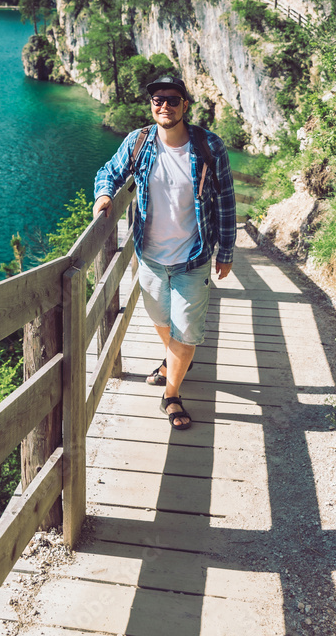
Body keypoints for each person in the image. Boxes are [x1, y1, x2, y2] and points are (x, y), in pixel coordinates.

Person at [93, 76, 236, 430]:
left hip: (194, 256)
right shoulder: (138, 142)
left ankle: (171, 393)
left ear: (186, 105)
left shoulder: (209, 147)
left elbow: (226, 201)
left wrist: (227, 250)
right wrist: (104, 195)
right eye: (158, 100)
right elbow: (108, 171)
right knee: (160, 320)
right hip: (151, 256)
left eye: (173, 100)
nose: (165, 106)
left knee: (186, 330)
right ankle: (170, 361)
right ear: (151, 105)